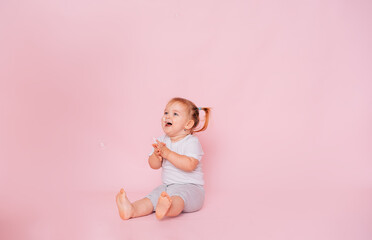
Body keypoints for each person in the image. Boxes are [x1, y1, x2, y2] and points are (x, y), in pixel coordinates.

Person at [116, 97, 210, 220]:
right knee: (152, 197)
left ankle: (168, 207)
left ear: (188, 124)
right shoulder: (161, 141)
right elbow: (154, 165)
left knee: (179, 198)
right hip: (168, 187)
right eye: (166, 112)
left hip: (191, 189)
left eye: (175, 114)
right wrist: (156, 155)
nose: (167, 116)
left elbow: (190, 165)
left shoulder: (191, 142)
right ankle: (132, 210)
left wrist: (168, 154)